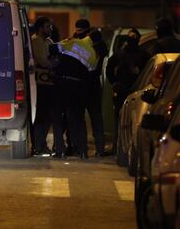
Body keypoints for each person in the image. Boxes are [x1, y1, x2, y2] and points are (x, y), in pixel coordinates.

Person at [50, 33, 100, 159]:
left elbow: (52, 48)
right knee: (78, 119)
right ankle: (83, 151)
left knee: (57, 118)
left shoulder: (73, 42)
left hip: (61, 83)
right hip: (78, 87)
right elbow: (91, 73)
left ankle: (60, 150)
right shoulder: (93, 54)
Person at [106, 28, 150, 154]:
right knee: (120, 118)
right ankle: (118, 146)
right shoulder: (121, 54)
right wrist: (114, 82)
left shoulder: (141, 55)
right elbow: (109, 69)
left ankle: (122, 147)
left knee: (129, 119)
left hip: (134, 90)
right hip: (124, 90)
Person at [31, 16, 55, 156]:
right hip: (40, 83)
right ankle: (38, 145)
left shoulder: (48, 41)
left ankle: (41, 144)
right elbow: (44, 62)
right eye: (48, 26)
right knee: (41, 116)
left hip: (48, 82)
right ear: (40, 28)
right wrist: (53, 64)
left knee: (47, 116)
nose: (50, 29)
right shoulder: (36, 41)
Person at [86, 29, 108, 157]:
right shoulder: (103, 50)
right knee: (97, 118)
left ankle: (82, 148)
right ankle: (100, 148)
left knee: (81, 117)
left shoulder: (92, 50)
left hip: (88, 83)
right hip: (96, 86)